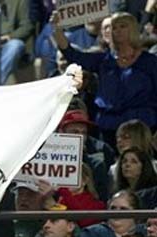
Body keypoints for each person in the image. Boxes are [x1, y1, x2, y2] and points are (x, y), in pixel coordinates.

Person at [52, 11, 157, 144]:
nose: (117, 30)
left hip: (142, 129)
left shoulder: (150, 62)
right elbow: (73, 55)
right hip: (107, 129)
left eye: (122, 26)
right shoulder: (103, 60)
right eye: (114, 27)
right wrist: (56, 29)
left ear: (133, 29)